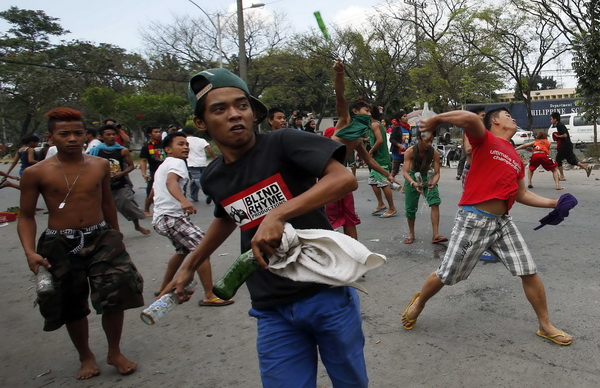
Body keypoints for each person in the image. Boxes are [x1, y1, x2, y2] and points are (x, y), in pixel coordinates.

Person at [161, 68, 368, 387]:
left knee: (350, 382)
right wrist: (190, 266)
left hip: (324, 290)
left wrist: (278, 215)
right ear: (201, 123)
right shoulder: (215, 176)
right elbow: (227, 217)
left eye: (241, 105)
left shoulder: (283, 142)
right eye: (220, 109)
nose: (234, 114)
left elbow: (343, 179)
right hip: (271, 305)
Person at [401, 108, 573, 347]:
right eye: (507, 114)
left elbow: (521, 193)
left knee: (528, 270)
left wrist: (555, 203)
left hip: (503, 223)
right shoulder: (484, 139)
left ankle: (545, 325)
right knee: (447, 274)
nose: (513, 117)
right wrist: (436, 120)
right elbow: (471, 119)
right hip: (473, 220)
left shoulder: (514, 156)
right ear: (494, 121)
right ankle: (419, 303)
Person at [17, 107, 144, 379]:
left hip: (101, 237)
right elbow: (26, 216)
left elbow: (107, 203)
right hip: (59, 242)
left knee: (116, 294)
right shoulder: (36, 173)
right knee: (71, 303)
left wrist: (116, 235)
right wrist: (29, 252)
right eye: (64, 134)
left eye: (78, 133)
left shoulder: (99, 165)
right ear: (51, 137)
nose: (72, 138)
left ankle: (114, 352)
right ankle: (85, 356)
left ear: (86, 135)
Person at [151, 131, 233, 306]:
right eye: (180, 144)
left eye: (186, 144)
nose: (186, 147)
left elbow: (154, 190)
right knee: (202, 250)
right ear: (168, 149)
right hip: (172, 217)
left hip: (162, 218)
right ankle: (210, 295)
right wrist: (183, 201)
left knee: (182, 252)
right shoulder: (176, 162)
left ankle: (164, 286)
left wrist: (147, 207)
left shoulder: (163, 165)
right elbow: (170, 183)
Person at [327, 59, 397, 240]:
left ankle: (354, 252)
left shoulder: (358, 137)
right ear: (356, 112)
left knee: (349, 217)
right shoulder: (345, 121)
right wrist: (340, 74)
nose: (369, 113)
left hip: (342, 178)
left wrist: (387, 175)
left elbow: (369, 161)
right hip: (327, 177)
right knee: (329, 218)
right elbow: (340, 96)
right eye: (366, 110)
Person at [90, 125, 151, 235]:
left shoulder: (122, 151)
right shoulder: (96, 151)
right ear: (101, 137)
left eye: (114, 134)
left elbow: (131, 166)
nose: (112, 137)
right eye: (108, 135)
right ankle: (110, 231)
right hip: (103, 185)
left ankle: (137, 226)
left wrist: (122, 173)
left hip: (120, 183)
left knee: (128, 204)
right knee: (104, 209)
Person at [401, 130, 447, 244]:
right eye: (427, 141)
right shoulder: (410, 152)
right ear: (419, 139)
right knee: (410, 208)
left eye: (431, 141)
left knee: (435, 202)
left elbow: (437, 173)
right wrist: (412, 183)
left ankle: (436, 234)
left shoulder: (434, 153)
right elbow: (405, 172)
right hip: (413, 177)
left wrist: (434, 182)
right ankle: (411, 233)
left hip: (428, 177)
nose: (429, 144)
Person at [368, 105, 398, 218]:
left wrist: (369, 152)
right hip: (377, 158)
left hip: (381, 158)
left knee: (383, 182)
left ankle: (392, 208)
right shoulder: (375, 124)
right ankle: (381, 204)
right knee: (373, 181)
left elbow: (379, 140)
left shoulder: (375, 124)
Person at [550, 112, 592, 180]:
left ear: (555, 119)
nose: (550, 120)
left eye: (551, 119)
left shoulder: (559, 125)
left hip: (565, 145)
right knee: (571, 160)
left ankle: (562, 176)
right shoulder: (559, 125)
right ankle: (586, 168)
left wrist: (558, 136)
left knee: (558, 160)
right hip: (567, 145)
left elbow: (565, 135)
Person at [182, 127, 216, 204]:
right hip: (202, 162)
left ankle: (207, 193)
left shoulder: (184, 141)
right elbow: (208, 147)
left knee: (197, 178)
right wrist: (214, 157)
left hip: (191, 162)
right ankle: (194, 196)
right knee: (195, 180)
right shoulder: (201, 140)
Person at [139, 125, 166, 216]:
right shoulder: (147, 147)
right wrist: (144, 173)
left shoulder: (165, 144)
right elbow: (143, 160)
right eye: (155, 132)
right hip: (154, 171)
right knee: (151, 191)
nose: (158, 134)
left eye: (159, 132)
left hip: (166, 170)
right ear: (150, 134)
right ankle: (146, 209)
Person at [456, 106, 485, 183]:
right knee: (462, 158)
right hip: (471, 170)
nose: (483, 118)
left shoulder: (483, 130)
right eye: (482, 116)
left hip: (479, 169)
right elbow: (468, 150)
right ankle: (459, 173)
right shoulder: (470, 129)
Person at [389, 112, 411, 179]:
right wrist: (399, 145)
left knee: (408, 171)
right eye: (404, 116)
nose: (406, 118)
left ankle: (405, 188)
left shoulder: (408, 128)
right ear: (399, 119)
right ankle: (388, 183)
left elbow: (409, 140)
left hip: (406, 152)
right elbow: (392, 139)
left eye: (406, 116)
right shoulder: (397, 128)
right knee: (395, 171)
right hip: (397, 153)